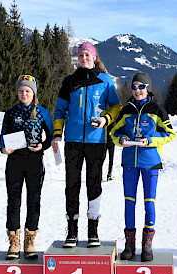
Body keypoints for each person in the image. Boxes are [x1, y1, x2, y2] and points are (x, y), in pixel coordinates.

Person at [52, 43, 122, 248]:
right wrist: (57, 133)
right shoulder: (69, 82)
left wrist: (106, 119)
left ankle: (93, 230)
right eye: (80, 55)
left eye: (87, 54)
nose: (84, 58)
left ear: (94, 57)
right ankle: (71, 231)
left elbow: (116, 106)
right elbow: (59, 111)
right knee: (71, 185)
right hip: (73, 141)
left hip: (96, 141)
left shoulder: (105, 80)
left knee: (94, 184)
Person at [111, 72, 176, 261]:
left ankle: (147, 246)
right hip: (130, 163)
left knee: (150, 202)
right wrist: (121, 139)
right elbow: (114, 132)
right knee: (129, 202)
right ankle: (129, 246)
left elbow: (170, 134)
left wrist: (150, 140)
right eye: (134, 87)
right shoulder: (126, 110)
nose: (137, 90)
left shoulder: (157, 109)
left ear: (147, 87)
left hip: (150, 163)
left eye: (141, 86)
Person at [0, 75, 53, 260]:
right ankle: (14, 242)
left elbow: (51, 137)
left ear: (33, 93)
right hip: (14, 162)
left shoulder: (43, 113)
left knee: (33, 201)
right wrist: (3, 148)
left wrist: (42, 146)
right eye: (21, 91)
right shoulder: (11, 113)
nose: (24, 94)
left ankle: (30, 241)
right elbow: (2, 135)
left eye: (27, 91)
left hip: (34, 162)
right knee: (13, 201)